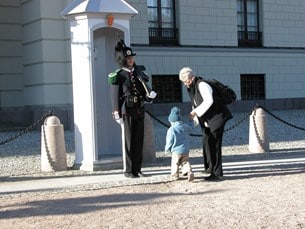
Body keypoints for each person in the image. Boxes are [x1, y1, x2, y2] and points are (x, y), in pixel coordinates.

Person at [108, 40, 157, 178]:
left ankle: (137, 168)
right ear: (123, 59)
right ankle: (129, 170)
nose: (131, 60)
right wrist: (116, 111)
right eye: (128, 58)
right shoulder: (119, 75)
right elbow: (115, 95)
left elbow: (143, 92)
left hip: (139, 109)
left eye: (132, 58)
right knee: (129, 141)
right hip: (127, 110)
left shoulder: (138, 73)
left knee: (139, 140)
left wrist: (150, 97)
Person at [179, 67, 233, 181]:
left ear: (190, 78)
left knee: (215, 145)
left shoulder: (202, 84)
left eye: (185, 81)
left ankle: (217, 173)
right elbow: (195, 102)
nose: (185, 84)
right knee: (207, 142)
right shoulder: (192, 87)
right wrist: (196, 119)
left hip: (217, 117)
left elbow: (209, 101)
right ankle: (209, 168)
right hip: (207, 119)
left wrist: (195, 112)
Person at [165, 106, 195, 182]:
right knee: (185, 162)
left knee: (175, 163)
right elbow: (191, 128)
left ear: (172, 121)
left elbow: (169, 141)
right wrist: (191, 121)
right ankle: (189, 171)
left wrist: (167, 149)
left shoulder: (171, 130)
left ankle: (174, 175)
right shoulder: (185, 126)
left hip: (176, 151)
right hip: (185, 150)